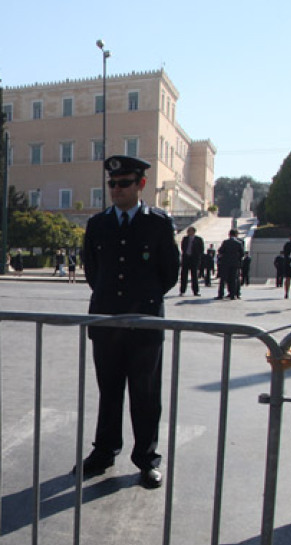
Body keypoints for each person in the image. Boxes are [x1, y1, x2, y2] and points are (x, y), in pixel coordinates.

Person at [75, 155, 178, 489]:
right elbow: (93, 272)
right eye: (112, 184)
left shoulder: (158, 223)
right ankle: (104, 451)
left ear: (140, 184)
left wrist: (141, 301)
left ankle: (146, 459)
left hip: (144, 323)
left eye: (124, 183)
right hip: (107, 320)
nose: (116, 189)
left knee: (145, 393)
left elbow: (169, 273)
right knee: (109, 391)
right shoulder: (98, 224)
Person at [216, 229, 243, 299]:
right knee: (233, 279)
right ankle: (232, 295)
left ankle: (220, 295)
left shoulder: (225, 242)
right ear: (236, 235)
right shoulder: (239, 243)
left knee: (223, 279)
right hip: (234, 263)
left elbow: (220, 251)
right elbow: (242, 254)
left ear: (229, 234)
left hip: (225, 263)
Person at [178, 225, 203, 296]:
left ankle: (195, 291)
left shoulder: (198, 239)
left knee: (194, 276)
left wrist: (198, 259)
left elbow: (201, 250)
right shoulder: (185, 238)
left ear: (194, 232)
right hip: (186, 259)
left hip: (194, 260)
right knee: (184, 276)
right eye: (188, 231)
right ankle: (182, 291)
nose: (188, 232)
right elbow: (183, 247)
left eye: (190, 231)